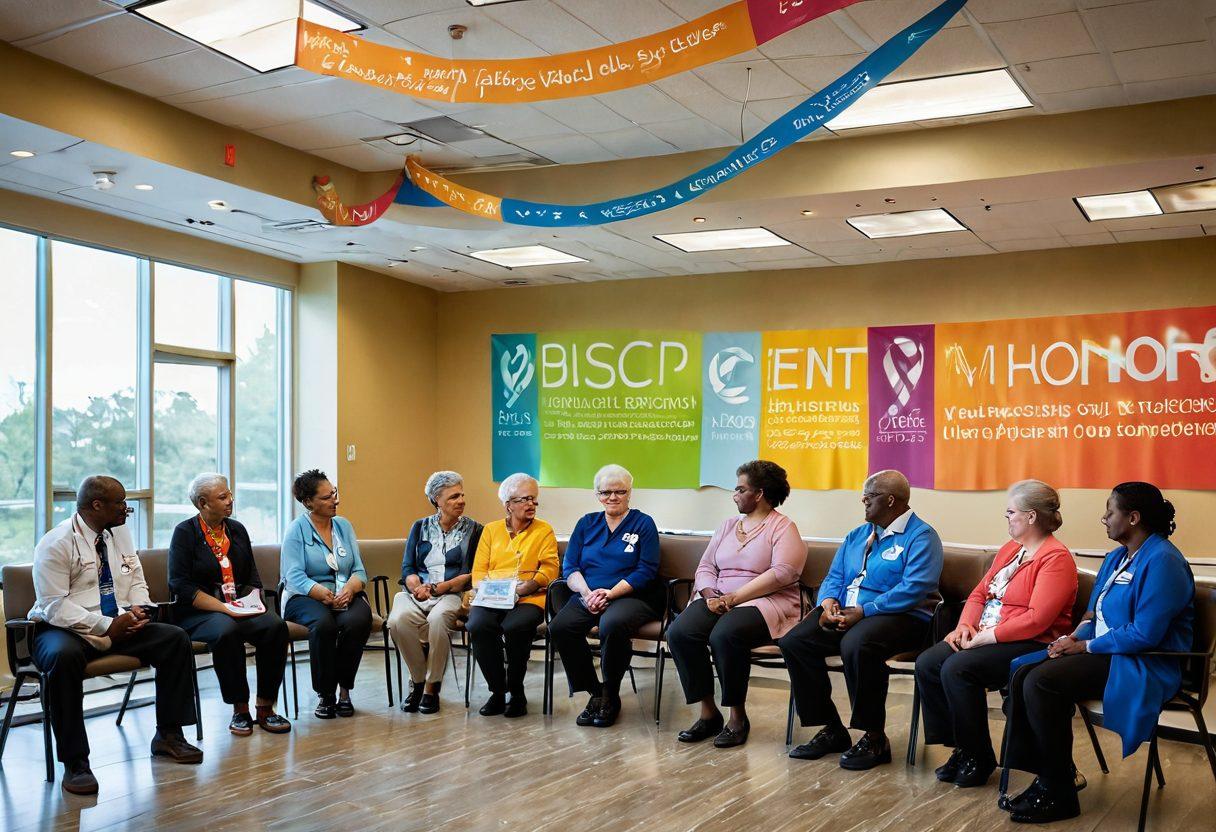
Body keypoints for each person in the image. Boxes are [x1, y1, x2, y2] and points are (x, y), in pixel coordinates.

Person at [1001, 482, 1195, 824]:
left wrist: (1085, 646)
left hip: (1143, 661)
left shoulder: (1163, 561)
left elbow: (1145, 634)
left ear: (1133, 517)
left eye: (1110, 511)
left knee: (1042, 683)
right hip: (1105, 652)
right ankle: (1050, 775)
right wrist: (1071, 637)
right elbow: (1093, 615)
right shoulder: (1117, 557)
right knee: (1021, 674)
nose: (1103, 518)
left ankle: (1058, 791)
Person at [28, 476, 201, 795]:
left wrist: (141, 610)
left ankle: (168, 736)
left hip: (117, 622)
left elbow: (134, 578)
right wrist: (106, 625)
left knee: (174, 639)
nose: (127, 509)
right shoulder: (56, 543)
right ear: (96, 505)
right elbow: (54, 606)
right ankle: (75, 762)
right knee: (63, 659)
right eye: (120, 503)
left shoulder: (118, 534)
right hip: (63, 630)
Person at [914, 480, 1077, 787]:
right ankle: (962, 747)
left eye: (1010, 512)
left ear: (1031, 517)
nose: (1006, 518)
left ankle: (978, 755)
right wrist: (964, 627)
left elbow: (1037, 620)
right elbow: (978, 594)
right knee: (928, 662)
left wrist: (988, 636)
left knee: (958, 668)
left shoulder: (1056, 559)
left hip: (1030, 642)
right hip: (986, 634)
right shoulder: (1010, 550)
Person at [779, 469, 943, 770]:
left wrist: (865, 611)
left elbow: (915, 588)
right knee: (796, 641)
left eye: (869, 497)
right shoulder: (857, 535)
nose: (863, 503)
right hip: (849, 611)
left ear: (890, 500)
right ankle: (831, 728)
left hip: (903, 617)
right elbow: (835, 577)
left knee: (858, 644)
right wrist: (828, 604)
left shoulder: (922, 537)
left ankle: (874, 737)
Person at [666, 460, 806, 748]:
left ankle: (737, 717)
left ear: (759, 493)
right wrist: (710, 595)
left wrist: (734, 598)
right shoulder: (728, 525)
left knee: (725, 634)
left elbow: (783, 573)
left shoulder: (782, 527)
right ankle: (708, 713)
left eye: (740, 489)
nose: (734, 494)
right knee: (680, 633)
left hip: (766, 601)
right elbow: (705, 566)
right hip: (719, 598)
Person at [168, 473, 291, 736]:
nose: (230, 501)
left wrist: (253, 602)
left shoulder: (236, 529)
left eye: (230, 494)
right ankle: (240, 709)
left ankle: (265, 706)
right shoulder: (184, 532)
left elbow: (252, 576)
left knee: (276, 627)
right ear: (203, 503)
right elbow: (181, 585)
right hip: (199, 610)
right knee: (226, 631)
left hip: (238, 604)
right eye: (222, 497)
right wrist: (224, 607)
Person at [549, 464, 662, 728]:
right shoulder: (586, 523)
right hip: (590, 595)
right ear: (597, 494)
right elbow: (570, 567)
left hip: (632, 596)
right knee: (561, 628)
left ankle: (611, 694)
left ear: (629, 493)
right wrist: (588, 594)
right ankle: (595, 692)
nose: (612, 497)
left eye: (619, 491)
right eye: (606, 492)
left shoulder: (643, 523)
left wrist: (610, 594)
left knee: (611, 624)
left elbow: (646, 569)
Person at [388, 471, 483, 714]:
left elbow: (472, 573)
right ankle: (418, 681)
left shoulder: (475, 530)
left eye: (462, 494)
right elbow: (408, 567)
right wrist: (416, 587)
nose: (461, 500)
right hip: (417, 593)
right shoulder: (419, 527)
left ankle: (431, 687)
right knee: (398, 620)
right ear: (436, 500)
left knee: (438, 620)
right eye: (453, 497)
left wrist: (437, 588)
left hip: (451, 594)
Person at [280, 469, 372, 719]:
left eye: (334, 493)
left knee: (358, 620)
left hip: (344, 593)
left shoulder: (343, 526)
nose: (335, 500)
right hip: (305, 597)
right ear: (308, 502)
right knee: (323, 625)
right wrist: (321, 592)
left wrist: (350, 589)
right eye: (326, 497)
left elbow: (359, 570)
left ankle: (344, 691)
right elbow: (294, 576)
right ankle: (326, 694)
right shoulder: (296, 530)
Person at [467, 472, 559, 718]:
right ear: (508, 504)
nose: (531, 504)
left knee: (516, 626)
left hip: (529, 596)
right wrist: (483, 589)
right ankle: (497, 692)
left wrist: (530, 585)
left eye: (534, 499)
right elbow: (479, 570)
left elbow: (551, 568)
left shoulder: (544, 530)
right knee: (478, 624)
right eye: (525, 499)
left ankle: (516, 692)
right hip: (493, 595)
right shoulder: (490, 530)